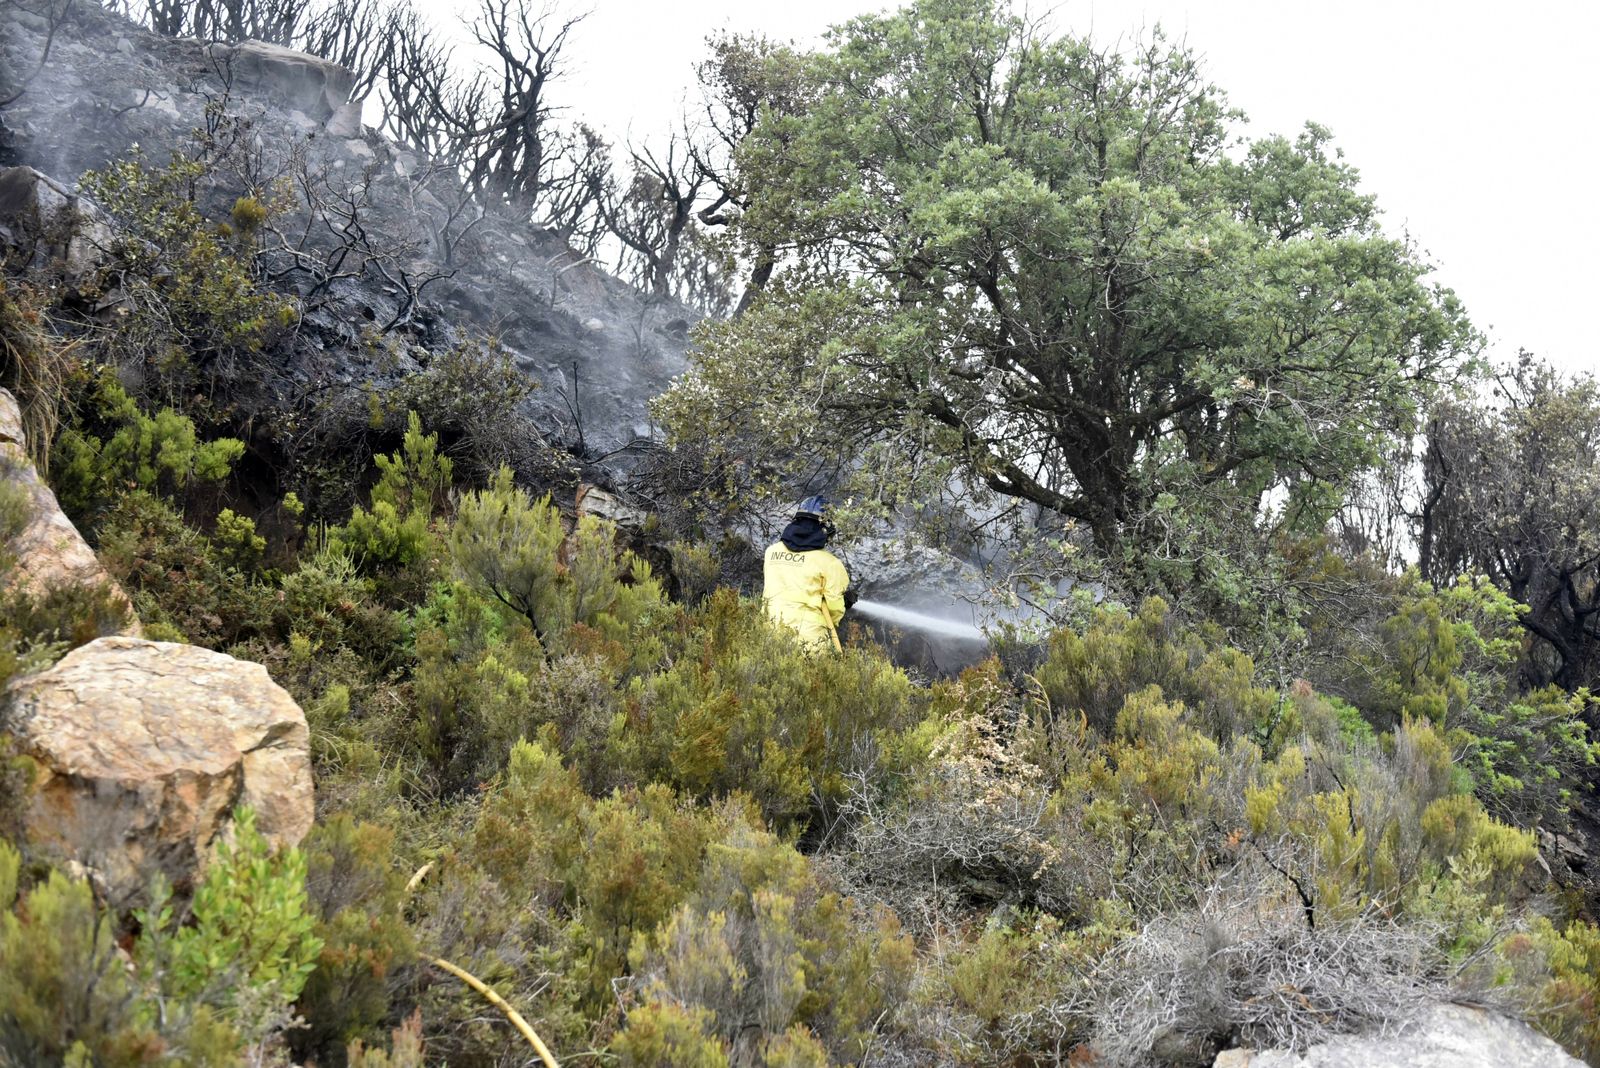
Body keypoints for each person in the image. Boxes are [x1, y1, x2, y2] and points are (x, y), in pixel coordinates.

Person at [763, 495, 853, 651]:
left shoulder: (771, 553)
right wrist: (845, 603)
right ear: (826, 529)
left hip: (769, 636)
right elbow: (834, 610)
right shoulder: (830, 563)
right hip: (810, 643)